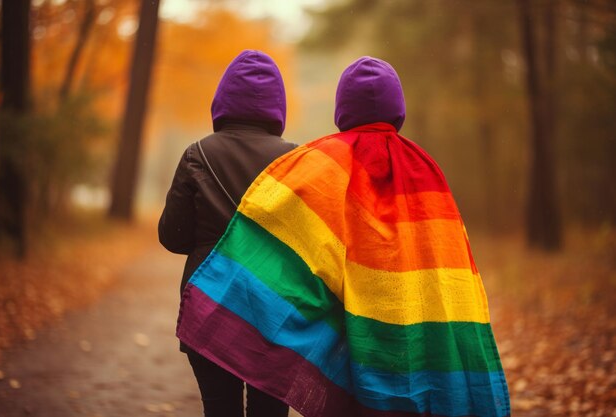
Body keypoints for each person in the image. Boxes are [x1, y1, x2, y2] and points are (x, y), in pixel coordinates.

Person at [176, 56, 510, 417]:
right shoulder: (426, 168)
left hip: (291, 310)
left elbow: (306, 245)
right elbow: (446, 250)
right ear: (398, 108)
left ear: (342, 109)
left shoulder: (321, 161)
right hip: (407, 317)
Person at [158, 50, 296, 417]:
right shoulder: (296, 161)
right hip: (275, 309)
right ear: (276, 105)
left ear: (222, 100)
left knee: (219, 409)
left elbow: (172, 236)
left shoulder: (197, 154)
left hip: (210, 307)